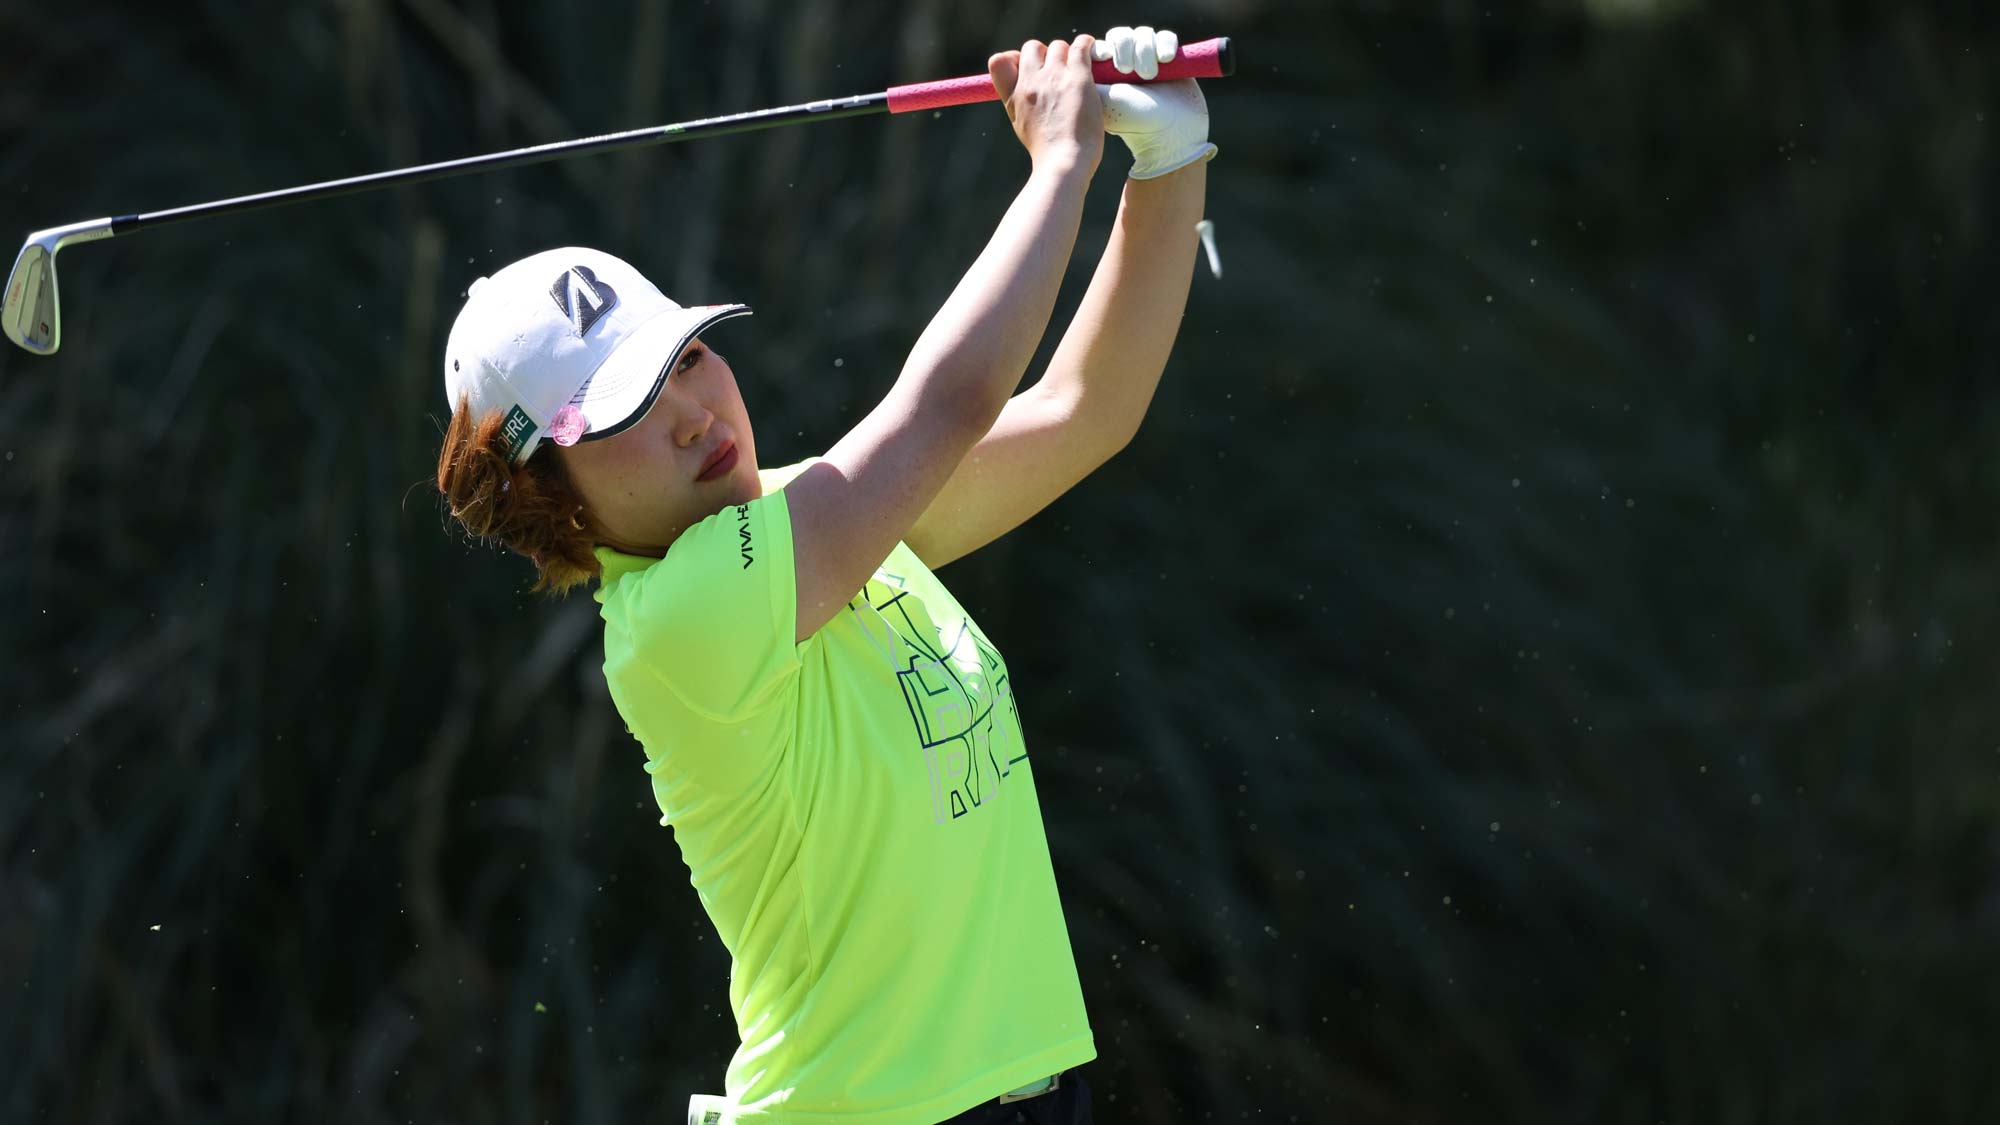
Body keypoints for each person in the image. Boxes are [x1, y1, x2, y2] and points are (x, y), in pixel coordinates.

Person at [434, 25, 1214, 1125]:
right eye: (621, 415)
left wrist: (1166, 168)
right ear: (547, 496)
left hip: (1016, 1094)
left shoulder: (810, 523)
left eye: (688, 357)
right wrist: (1056, 165)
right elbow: (947, 403)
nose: (693, 415)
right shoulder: (679, 622)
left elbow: (1083, 412)